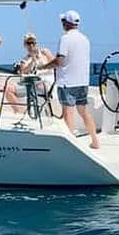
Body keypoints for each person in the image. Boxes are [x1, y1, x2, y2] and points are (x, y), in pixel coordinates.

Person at [37, 11, 99, 149]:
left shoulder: (65, 39)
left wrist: (42, 67)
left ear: (67, 23)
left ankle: (71, 147)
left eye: (63, 21)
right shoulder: (85, 39)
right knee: (84, 112)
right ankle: (95, 141)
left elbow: (59, 61)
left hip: (67, 82)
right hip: (83, 82)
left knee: (68, 114)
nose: (62, 24)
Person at [6, 33, 55, 113]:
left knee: (41, 86)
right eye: (28, 43)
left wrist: (41, 64)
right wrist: (32, 60)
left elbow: (55, 65)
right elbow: (23, 72)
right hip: (32, 85)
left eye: (33, 43)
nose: (31, 45)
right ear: (25, 45)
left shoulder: (45, 52)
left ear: (36, 43)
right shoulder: (24, 60)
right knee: (8, 88)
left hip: (47, 83)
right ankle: (19, 112)